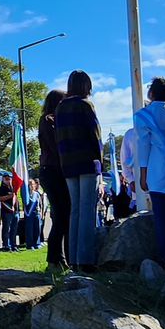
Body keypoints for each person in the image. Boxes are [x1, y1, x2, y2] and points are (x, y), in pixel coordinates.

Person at [133, 77, 165, 269]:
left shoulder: (143, 116)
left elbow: (143, 146)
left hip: (156, 168)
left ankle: (164, 258)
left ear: (151, 93)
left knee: (161, 218)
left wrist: (142, 173)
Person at [55, 71, 104, 271]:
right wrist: (100, 163)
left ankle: (74, 259)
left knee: (75, 210)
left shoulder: (60, 107)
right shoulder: (86, 105)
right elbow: (95, 136)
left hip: (68, 163)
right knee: (87, 210)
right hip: (86, 162)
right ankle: (86, 260)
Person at [36, 89, 70, 272]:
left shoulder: (52, 120)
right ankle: (54, 259)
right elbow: (56, 146)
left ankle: (61, 257)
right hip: (52, 172)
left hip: (55, 171)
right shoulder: (48, 120)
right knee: (61, 216)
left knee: (63, 216)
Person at [0, 174, 18, 252]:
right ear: (3, 180)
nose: (8, 180)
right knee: (6, 229)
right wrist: (10, 196)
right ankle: (6, 245)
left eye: (9, 179)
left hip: (15, 211)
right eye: (6, 179)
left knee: (14, 229)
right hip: (6, 211)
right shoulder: (1, 189)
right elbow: (0, 198)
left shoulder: (13, 188)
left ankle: (13, 245)